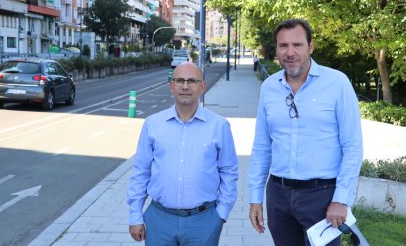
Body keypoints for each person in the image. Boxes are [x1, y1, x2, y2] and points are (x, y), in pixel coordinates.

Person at [248, 18, 363, 245]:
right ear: (277, 49)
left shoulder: (337, 83)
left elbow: (352, 146)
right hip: (278, 197)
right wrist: (255, 198)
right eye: (283, 46)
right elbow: (262, 147)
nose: (290, 52)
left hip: (322, 197)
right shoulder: (269, 87)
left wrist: (341, 199)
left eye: (297, 45)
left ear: (310, 47)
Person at [127, 62, 238, 245]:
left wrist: (221, 215)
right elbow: (141, 172)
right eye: (179, 81)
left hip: (203, 222)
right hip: (159, 220)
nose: (185, 86)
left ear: (202, 86)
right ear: (172, 85)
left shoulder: (219, 126)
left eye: (192, 81)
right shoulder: (152, 124)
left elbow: (229, 172)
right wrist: (135, 216)